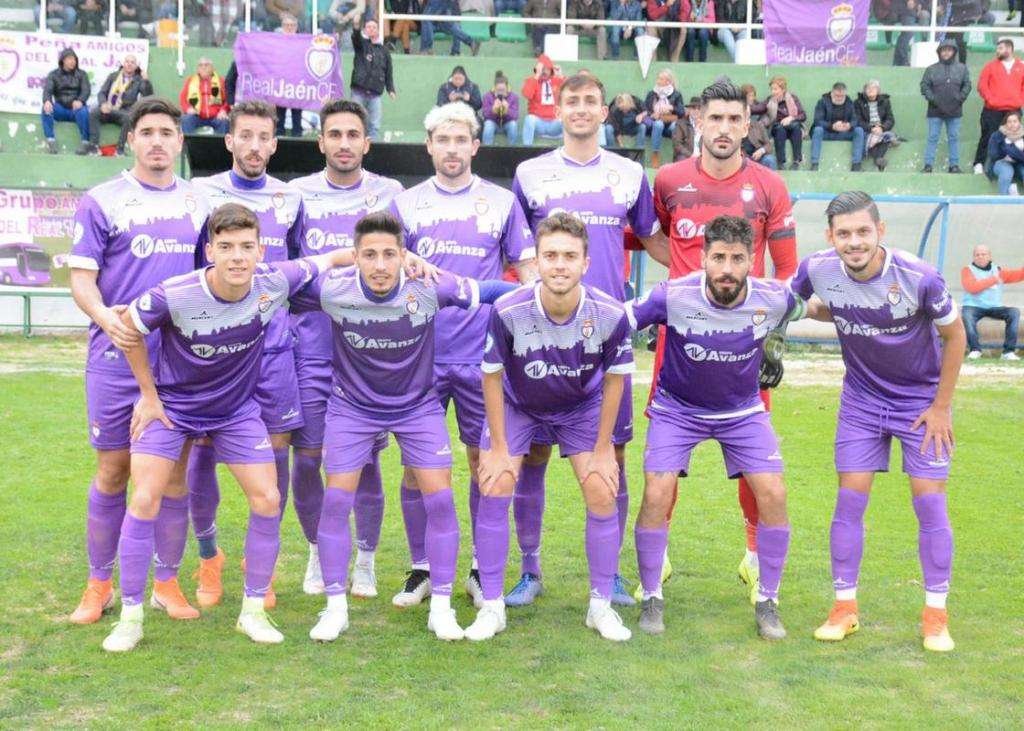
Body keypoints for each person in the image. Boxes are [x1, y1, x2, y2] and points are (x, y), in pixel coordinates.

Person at [98, 204, 353, 652]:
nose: (237, 256)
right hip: (174, 408)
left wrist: (407, 259)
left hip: (235, 411)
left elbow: (332, 258)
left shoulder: (274, 281)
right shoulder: (175, 293)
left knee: (268, 498)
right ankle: (130, 617)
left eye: (247, 247)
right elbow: (127, 328)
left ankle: (252, 612)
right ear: (210, 251)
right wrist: (149, 395)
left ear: (261, 251)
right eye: (227, 246)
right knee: (144, 498)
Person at [289, 211, 513, 642]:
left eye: (389, 254)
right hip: (352, 408)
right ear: (355, 256)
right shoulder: (333, 289)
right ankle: (335, 608)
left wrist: (544, 292)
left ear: (403, 256)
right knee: (336, 502)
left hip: (417, 407)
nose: (379, 265)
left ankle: (442, 609)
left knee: (441, 501)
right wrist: (329, 259)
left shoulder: (428, 287)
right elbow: (275, 284)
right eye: (369, 255)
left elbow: (490, 291)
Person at [510, 72, 668, 607]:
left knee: (611, 457)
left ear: (605, 111)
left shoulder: (629, 173)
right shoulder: (530, 174)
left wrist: (703, 277)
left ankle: (611, 573)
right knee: (532, 452)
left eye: (590, 101)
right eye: (571, 101)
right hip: (542, 338)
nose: (580, 109)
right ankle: (529, 569)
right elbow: (519, 249)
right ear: (558, 110)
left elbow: (652, 238)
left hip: (605, 338)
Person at [795, 191, 966, 654]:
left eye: (863, 231)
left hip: (921, 404)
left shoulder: (919, 277)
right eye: (844, 234)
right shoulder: (816, 269)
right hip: (862, 402)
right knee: (849, 501)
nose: (854, 242)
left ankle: (936, 618)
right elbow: (793, 303)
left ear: (880, 231)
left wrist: (941, 407)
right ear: (830, 236)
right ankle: (843, 609)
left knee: (930, 504)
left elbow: (955, 336)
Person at [650, 80, 798, 605]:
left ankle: (755, 555)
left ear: (747, 124)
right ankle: (657, 555)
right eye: (715, 118)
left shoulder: (768, 186)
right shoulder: (669, 180)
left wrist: (773, 336)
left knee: (755, 460)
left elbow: (787, 270)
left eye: (735, 119)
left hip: (744, 348)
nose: (725, 128)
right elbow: (655, 238)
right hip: (678, 347)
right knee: (664, 459)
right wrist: (678, 294)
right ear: (697, 120)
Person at [67, 98, 210, 626]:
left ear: (179, 140)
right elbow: (81, 279)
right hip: (114, 358)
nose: (156, 141)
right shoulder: (102, 200)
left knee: (173, 476)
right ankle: (99, 585)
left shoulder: (199, 204)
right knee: (113, 471)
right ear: (130, 139)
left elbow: (210, 278)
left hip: (177, 364)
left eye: (166, 132)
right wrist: (107, 318)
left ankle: (166, 584)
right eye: (146, 131)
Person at [389, 102, 536, 609]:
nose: (451, 149)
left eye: (460, 140)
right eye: (442, 140)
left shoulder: (501, 202)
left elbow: (528, 273)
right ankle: (422, 567)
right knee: (417, 465)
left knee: (482, 463)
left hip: (482, 358)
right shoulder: (405, 205)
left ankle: (477, 565)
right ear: (429, 145)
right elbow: (383, 269)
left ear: (475, 146)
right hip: (420, 357)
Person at [630, 215, 801, 639]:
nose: (727, 268)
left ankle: (768, 600)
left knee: (774, 492)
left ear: (751, 261)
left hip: (741, 412)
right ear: (703, 258)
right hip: (677, 410)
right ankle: (651, 595)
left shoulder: (772, 298)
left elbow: (812, 304)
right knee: (656, 491)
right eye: (719, 257)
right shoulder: (672, 295)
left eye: (738, 259)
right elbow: (620, 321)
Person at [470, 213, 635, 641]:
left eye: (569, 256)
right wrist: (500, 447)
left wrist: (604, 448)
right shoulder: (509, 309)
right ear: (537, 261)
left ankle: (600, 606)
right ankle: (492, 607)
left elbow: (616, 380)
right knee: (496, 482)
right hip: (519, 404)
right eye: (550, 255)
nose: (559, 265)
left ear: (586, 263)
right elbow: (491, 375)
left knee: (602, 487)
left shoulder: (610, 313)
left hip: (580, 406)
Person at [183, 101, 305, 609]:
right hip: (212, 348)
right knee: (202, 450)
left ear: (274, 144)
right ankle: (208, 556)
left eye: (264, 137)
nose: (255, 146)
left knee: (276, 454)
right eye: (246, 136)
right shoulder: (200, 193)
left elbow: (299, 270)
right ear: (229, 140)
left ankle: (262, 566)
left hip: (271, 348)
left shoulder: (291, 198)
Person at [288, 99, 405, 596]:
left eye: (352, 134)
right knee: (307, 458)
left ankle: (366, 559)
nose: (343, 143)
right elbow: (288, 269)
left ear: (366, 142)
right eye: (334, 134)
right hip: (312, 347)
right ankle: (318, 551)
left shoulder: (390, 194)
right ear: (321, 142)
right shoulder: (295, 195)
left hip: (368, 351)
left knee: (367, 460)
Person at [961, 244, 1023, 360]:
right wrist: (994, 279)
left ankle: (1008, 352)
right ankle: (975, 350)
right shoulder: (967, 270)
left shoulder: (997, 270)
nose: (980, 257)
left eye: (983, 254)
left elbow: (1018, 275)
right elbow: (972, 287)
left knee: (1014, 312)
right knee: (967, 315)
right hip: (973, 306)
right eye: (977, 255)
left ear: (990, 256)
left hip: (995, 307)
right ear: (973, 257)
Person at [973, 39, 1024, 175]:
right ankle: (979, 163)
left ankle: (1013, 167)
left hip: (1013, 110)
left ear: (1009, 49)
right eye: (997, 48)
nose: (998, 51)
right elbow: (982, 86)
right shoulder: (990, 66)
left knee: (1014, 138)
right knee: (988, 136)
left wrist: (1019, 100)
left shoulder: (1021, 66)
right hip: (992, 109)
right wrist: (991, 100)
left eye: (1000, 48)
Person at [920, 38, 971, 174]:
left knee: (954, 138)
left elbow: (967, 85)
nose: (946, 53)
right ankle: (928, 165)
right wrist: (933, 99)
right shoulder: (931, 69)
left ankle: (954, 166)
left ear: (954, 52)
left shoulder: (962, 68)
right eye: (943, 50)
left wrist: (959, 98)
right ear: (939, 52)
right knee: (932, 137)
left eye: (949, 50)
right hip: (935, 110)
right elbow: (924, 86)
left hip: (955, 110)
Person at [88, 54, 153, 156]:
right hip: (108, 108)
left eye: (132, 62)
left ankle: (120, 149)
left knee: (130, 118)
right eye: (127, 62)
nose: (129, 64)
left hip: (124, 111)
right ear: (123, 64)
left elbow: (148, 96)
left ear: (136, 66)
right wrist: (103, 104)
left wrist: (146, 81)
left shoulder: (138, 80)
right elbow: (102, 93)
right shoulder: (113, 76)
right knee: (94, 113)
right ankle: (93, 147)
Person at [350, 20, 397, 141]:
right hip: (358, 92)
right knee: (355, 123)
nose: (371, 29)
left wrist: (390, 89)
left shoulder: (384, 51)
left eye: (374, 27)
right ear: (365, 30)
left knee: (374, 126)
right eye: (368, 27)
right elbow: (355, 37)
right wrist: (356, 27)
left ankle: (372, 149)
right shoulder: (361, 45)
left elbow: (388, 72)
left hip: (375, 94)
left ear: (378, 30)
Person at [42, 48, 91, 156]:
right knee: (46, 109)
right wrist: (47, 101)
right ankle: (50, 140)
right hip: (61, 108)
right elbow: (47, 90)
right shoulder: (53, 74)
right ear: (63, 60)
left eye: (74, 59)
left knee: (84, 111)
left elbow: (86, 90)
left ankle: (85, 142)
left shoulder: (82, 74)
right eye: (69, 59)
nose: (72, 61)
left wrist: (80, 101)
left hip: (76, 110)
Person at [810, 82, 865, 172]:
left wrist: (849, 125)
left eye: (842, 96)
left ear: (845, 94)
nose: (839, 98)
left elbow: (855, 120)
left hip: (843, 133)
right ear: (832, 93)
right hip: (827, 133)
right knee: (817, 130)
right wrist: (832, 126)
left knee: (859, 130)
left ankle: (856, 164)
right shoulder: (823, 101)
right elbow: (817, 120)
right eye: (837, 96)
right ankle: (814, 163)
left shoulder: (849, 102)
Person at [644, 69, 685, 168]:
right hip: (654, 123)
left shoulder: (676, 94)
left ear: (668, 81)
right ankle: (655, 154)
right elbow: (645, 109)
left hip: (669, 122)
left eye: (661, 79)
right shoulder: (652, 94)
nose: (658, 81)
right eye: (658, 78)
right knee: (658, 124)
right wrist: (653, 114)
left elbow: (681, 112)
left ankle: (677, 155)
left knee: (676, 126)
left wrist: (671, 108)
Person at [762, 76, 806, 170]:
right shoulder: (770, 99)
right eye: (772, 89)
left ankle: (796, 161)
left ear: (783, 89)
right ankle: (781, 162)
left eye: (775, 89)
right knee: (780, 129)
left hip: (791, 128)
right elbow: (760, 108)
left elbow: (803, 115)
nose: (773, 92)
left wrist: (791, 118)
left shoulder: (793, 98)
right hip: (777, 128)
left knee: (796, 127)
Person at [521, 55, 565, 145]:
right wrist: (537, 75)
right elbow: (527, 94)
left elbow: (571, 90)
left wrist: (561, 76)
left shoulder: (557, 81)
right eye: (542, 69)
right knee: (529, 119)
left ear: (551, 70)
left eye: (547, 69)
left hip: (554, 123)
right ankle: (526, 149)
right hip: (539, 123)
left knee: (567, 119)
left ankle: (570, 151)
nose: (544, 72)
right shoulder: (531, 81)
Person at [853, 80, 897, 172]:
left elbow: (890, 119)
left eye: (873, 88)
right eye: (868, 88)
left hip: (881, 129)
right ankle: (878, 159)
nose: (870, 90)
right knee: (871, 139)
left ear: (878, 91)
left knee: (887, 137)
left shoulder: (885, 101)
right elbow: (857, 120)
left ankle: (878, 158)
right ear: (864, 91)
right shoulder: (858, 102)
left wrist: (882, 128)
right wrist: (871, 128)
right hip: (867, 130)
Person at [179, 58, 229, 135]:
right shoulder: (190, 81)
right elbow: (183, 98)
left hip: (216, 116)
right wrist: (188, 109)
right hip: (197, 116)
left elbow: (228, 99)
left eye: (206, 65)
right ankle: (188, 143)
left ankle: (222, 143)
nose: (203, 67)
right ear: (198, 69)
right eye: (200, 65)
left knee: (224, 122)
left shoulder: (220, 81)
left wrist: (223, 110)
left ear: (212, 68)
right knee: (186, 119)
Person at [275, 14, 305, 137]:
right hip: (280, 84)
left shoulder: (303, 43)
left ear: (296, 27)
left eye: (292, 25)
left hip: (297, 84)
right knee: (279, 116)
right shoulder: (275, 43)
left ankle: (297, 139)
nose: (289, 28)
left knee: (297, 116)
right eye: (287, 25)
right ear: (282, 27)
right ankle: (279, 138)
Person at [985, 110, 1024, 195]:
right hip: (1001, 162)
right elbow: (993, 154)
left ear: (1019, 123)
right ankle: (1003, 198)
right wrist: (1016, 151)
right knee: (1006, 172)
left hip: (1020, 163)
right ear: (1005, 123)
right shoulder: (997, 135)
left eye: (1015, 121)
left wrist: (1009, 150)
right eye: (1009, 122)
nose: (1012, 124)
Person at [481, 72, 520, 145]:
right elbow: (485, 114)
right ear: (494, 87)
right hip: (494, 123)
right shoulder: (487, 96)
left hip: (507, 124)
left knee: (513, 125)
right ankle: (487, 149)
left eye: (503, 89)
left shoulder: (513, 97)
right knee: (488, 124)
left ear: (507, 88)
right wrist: (493, 109)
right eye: (498, 90)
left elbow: (515, 115)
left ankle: (512, 149)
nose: (500, 92)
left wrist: (507, 110)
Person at [670, 96, 700, 161]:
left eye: (699, 108)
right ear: (689, 110)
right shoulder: (680, 124)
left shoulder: (707, 125)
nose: (696, 111)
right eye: (694, 108)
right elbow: (677, 145)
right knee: (682, 158)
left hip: (702, 158)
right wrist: (691, 155)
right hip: (687, 156)